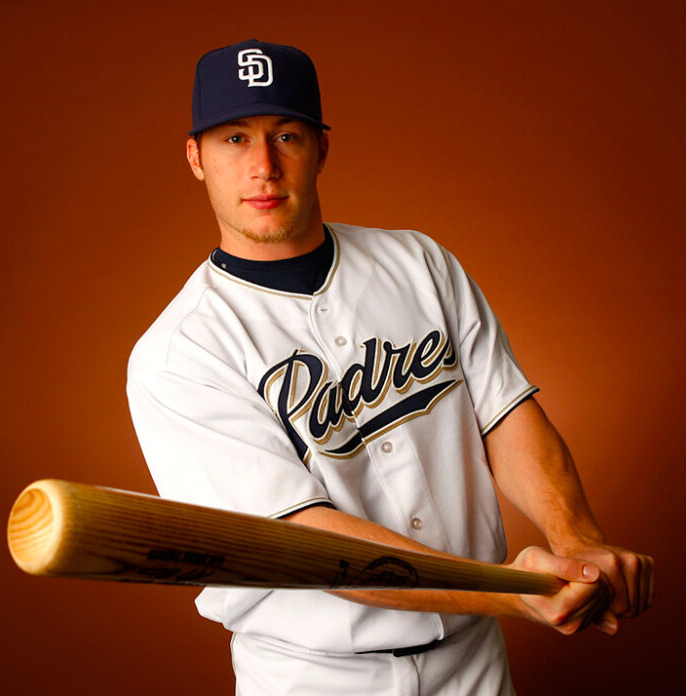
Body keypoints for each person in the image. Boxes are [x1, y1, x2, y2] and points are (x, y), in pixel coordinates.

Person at [127, 39, 653, 696]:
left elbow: (505, 414)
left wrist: (575, 540)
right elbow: (310, 545)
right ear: (195, 157)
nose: (263, 166)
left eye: (285, 134)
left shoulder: (420, 263)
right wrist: (513, 594)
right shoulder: (182, 353)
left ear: (321, 145)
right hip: (315, 678)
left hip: (475, 664)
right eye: (234, 138)